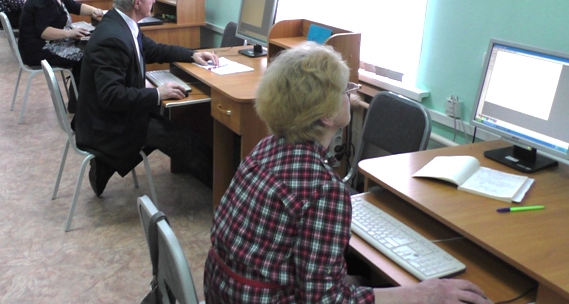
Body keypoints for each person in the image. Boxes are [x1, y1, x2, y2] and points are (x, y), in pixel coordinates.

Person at [203, 42, 492, 304]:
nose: (350, 96)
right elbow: (325, 301)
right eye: (345, 91)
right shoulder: (322, 189)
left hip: (224, 292)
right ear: (326, 115)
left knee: (364, 279)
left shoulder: (267, 147)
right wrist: (421, 295)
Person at [73, 0, 218, 197]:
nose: (154, 0)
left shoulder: (121, 22)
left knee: (176, 125)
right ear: (137, 3)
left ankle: (105, 166)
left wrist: (192, 54)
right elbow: (111, 96)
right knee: (182, 139)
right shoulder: (112, 38)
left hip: (115, 115)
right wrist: (158, 93)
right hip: (106, 126)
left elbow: (154, 50)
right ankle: (226, 191)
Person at [18, 0, 104, 110]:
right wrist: (70, 33)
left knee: (89, 51)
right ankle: (78, 104)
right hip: (38, 50)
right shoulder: (45, 0)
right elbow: (44, 32)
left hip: (47, 44)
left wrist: (95, 11)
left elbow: (76, 7)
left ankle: (79, 99)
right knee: (87, 57)